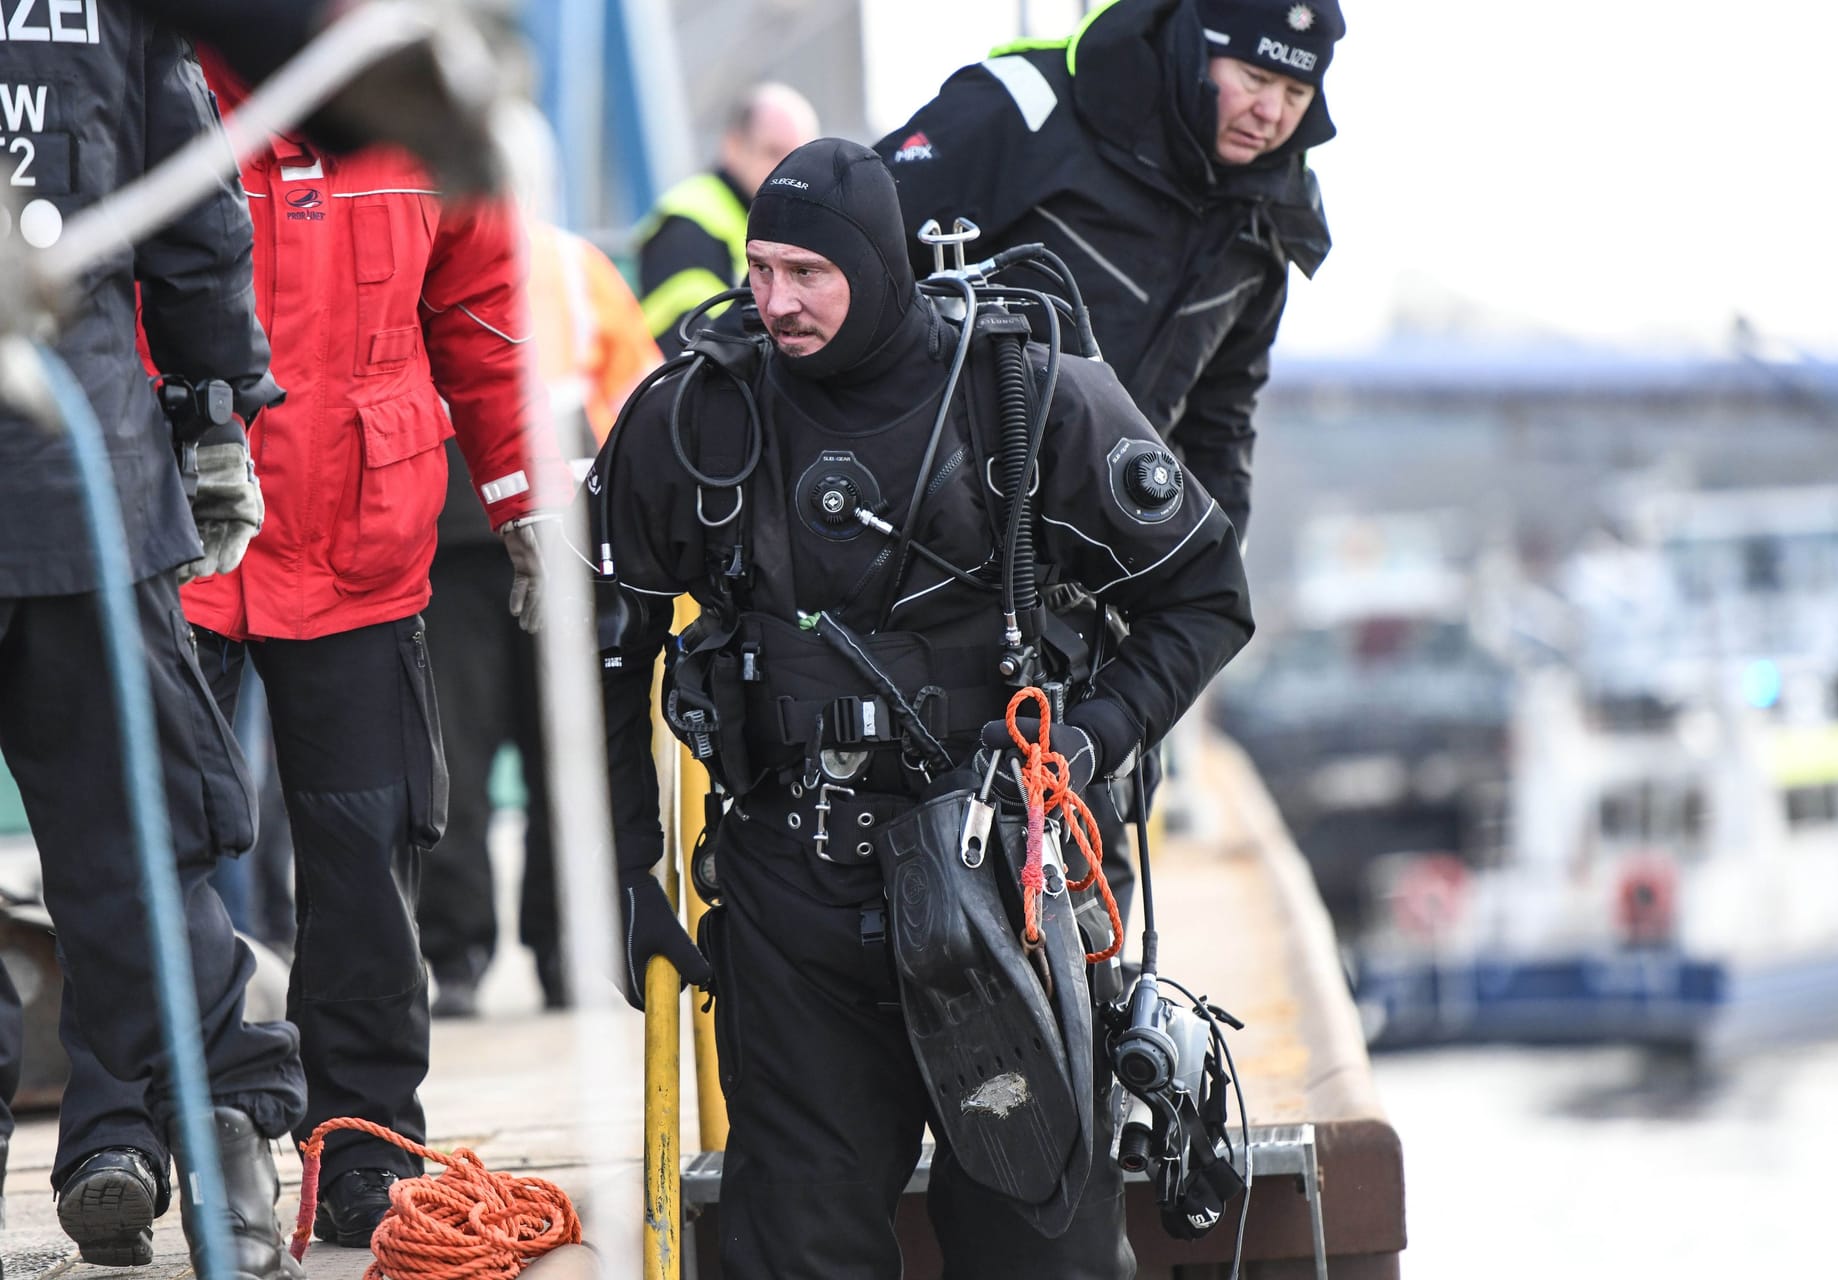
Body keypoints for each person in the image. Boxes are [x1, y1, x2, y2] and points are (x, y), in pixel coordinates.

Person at [587, 138, 1253, 1279]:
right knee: (800, 1247)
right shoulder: (699, 417)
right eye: (762, 268)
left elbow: (1207, 595)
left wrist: (1087, 740)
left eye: (810, 274)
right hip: (795, 891)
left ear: (880, 266)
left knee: (1040, 1246)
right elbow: (604, 648)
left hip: (1006, 887)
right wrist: (615, 871)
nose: (776, 301)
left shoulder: (1022, 396)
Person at [45, 51, 568, 1257]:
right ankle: (116, 1136)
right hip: (180, 546)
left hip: (363, 549)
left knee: (368, 856)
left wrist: (522, 492)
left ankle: (365, 1150)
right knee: (133, 844)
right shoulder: (142, 88)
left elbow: (483, 311)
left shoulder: (415, 101)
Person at [0, 8, 307, 1278]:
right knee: (139, 850)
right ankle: (226, 1166)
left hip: (80, 489)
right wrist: (214, 406)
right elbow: (193, 215)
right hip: (82, 487)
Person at [879, 0, 1344, 538]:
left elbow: (1221, 425)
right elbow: (842, 243)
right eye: (1255, 76)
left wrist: (1210, 589)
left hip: (1097, 566)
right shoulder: (1030, 104)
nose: (1272, 113)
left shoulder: (1271, 220)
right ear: (1195, 48)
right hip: (916, 519)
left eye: (1296, 93)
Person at [420, 104, 662, 1018]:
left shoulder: (575, 268)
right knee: (459, 761)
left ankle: (559, 950)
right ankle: (461, 955)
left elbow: (633, 398)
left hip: (558, 532)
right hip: (457, 537)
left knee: (569, 757)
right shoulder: (464, 256)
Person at [631, 82, 819, 356]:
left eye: (799, 156)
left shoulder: (772, 219)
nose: (788, 169)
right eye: (773, 152)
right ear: (733, 146)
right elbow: (687, 348)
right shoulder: (689, 223)